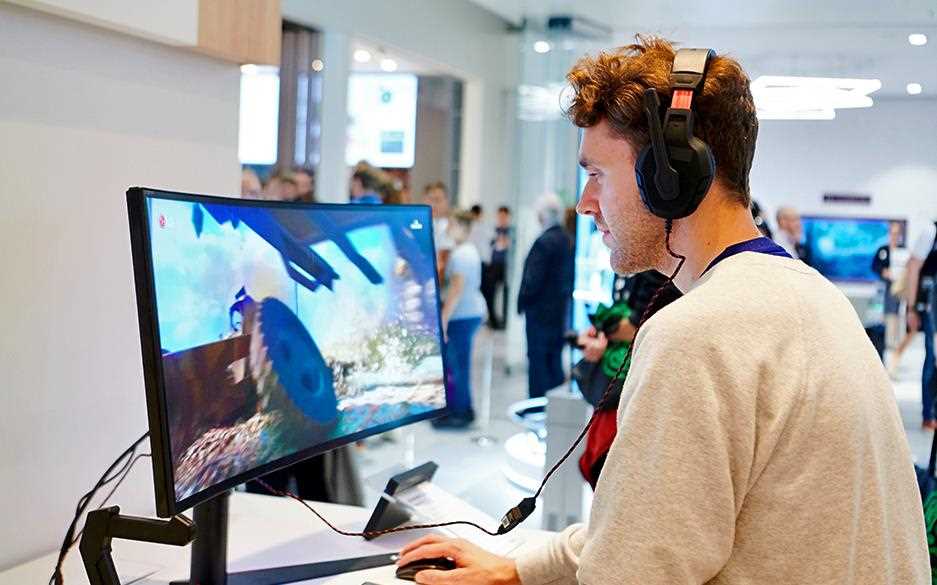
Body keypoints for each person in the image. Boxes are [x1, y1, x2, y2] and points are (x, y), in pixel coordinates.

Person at [399, 37, 928, 584]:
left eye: (597, 174)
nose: (584, 202)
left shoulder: (697, 335)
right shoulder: (812, 299)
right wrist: (520, 568)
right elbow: (653, 522)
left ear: (669, 178)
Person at [434, 210, 487, 429]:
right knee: (457, 364)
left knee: (458, 365)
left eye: (452, 223)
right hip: (467, 313)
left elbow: (456, 289)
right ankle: (458, 408)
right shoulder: (466, 251)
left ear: (463, 228)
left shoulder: (462, 254)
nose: (448, 228)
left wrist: (443, 320)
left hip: (463, 316)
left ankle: (462, 411)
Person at [518, 194, 574, 399]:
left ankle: (536, 407)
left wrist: (524, 301)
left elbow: (533, 279)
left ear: (543, 215)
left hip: (539, 314)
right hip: (558, 313)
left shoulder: (544, 242)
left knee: (538, 362)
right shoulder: (567, 240)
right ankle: (554, 412)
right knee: (554, 362)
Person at [905, 219, 937, 429]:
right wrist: (911, 307)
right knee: (933, 356)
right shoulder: (930, 231)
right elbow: (913, 268)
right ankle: (929, 414)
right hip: (930, 303)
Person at [872, 222, 903, 354]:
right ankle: (883, 344)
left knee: (897, 316)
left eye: (897, 233)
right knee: (884, 317)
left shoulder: (903, 250)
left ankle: (895, 344)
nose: (894, 236)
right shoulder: (883, 250)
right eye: (892, 233)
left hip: (900, 289)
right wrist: (884, 272)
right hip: (885, 289)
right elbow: (874, 266)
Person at [482, 206, 513, 329]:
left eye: (504, 216)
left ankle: (503, 321)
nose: (501, 219)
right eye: (499, 216)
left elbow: (508, 246)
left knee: (505, 294)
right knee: (490, 293)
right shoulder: (493, 231)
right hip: (493, 266)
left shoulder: (511, 232)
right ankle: (493, 318)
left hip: (504, 266)